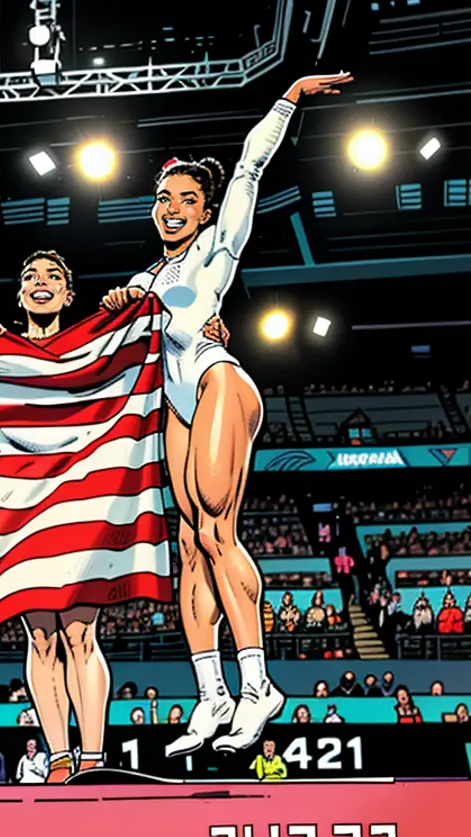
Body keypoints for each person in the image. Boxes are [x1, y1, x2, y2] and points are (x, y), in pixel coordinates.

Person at [103, 71, 355, 756]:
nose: (173, 206)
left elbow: (249, 164)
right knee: (189, 546)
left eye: (187, 198)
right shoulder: (145, 278)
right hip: (177, 397)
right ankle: (211, 695)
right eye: (163, 198)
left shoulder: (217, 248)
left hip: (219, 381)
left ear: (208, 210)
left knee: (217, 529)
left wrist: (290, 98)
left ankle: (257, 687)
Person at [0, 252, 227, 781]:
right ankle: (57, 758)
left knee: (79, 632)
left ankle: (91, 759)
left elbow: (173, 337)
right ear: (19, 294)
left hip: (79, 501)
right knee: (40, 636)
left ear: (70, 295)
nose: (40, 283)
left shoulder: (99, 345)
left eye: (52, 276)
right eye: (29, 276)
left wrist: (204, 330)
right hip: (19, 503)